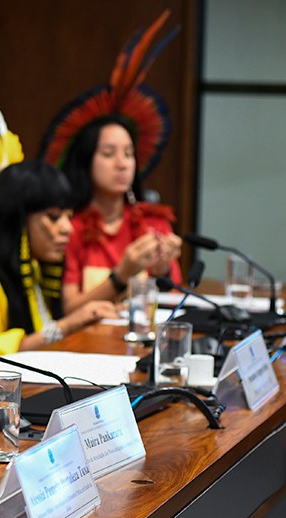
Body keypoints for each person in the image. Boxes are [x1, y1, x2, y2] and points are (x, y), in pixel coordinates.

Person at [39, 11, 182, 314]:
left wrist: (162, 270)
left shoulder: (154, 225)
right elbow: (67, 310)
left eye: (129, 153)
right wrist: (122, 274)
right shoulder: (70, 227)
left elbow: (176, 303)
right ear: (86, 160)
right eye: (108, 153)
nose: (122, 164)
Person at [0, 160, 118, 355]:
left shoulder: (35, 265)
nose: (68, 228)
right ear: (19, 220)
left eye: (68, 217)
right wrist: (67, 325)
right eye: (53, 217)